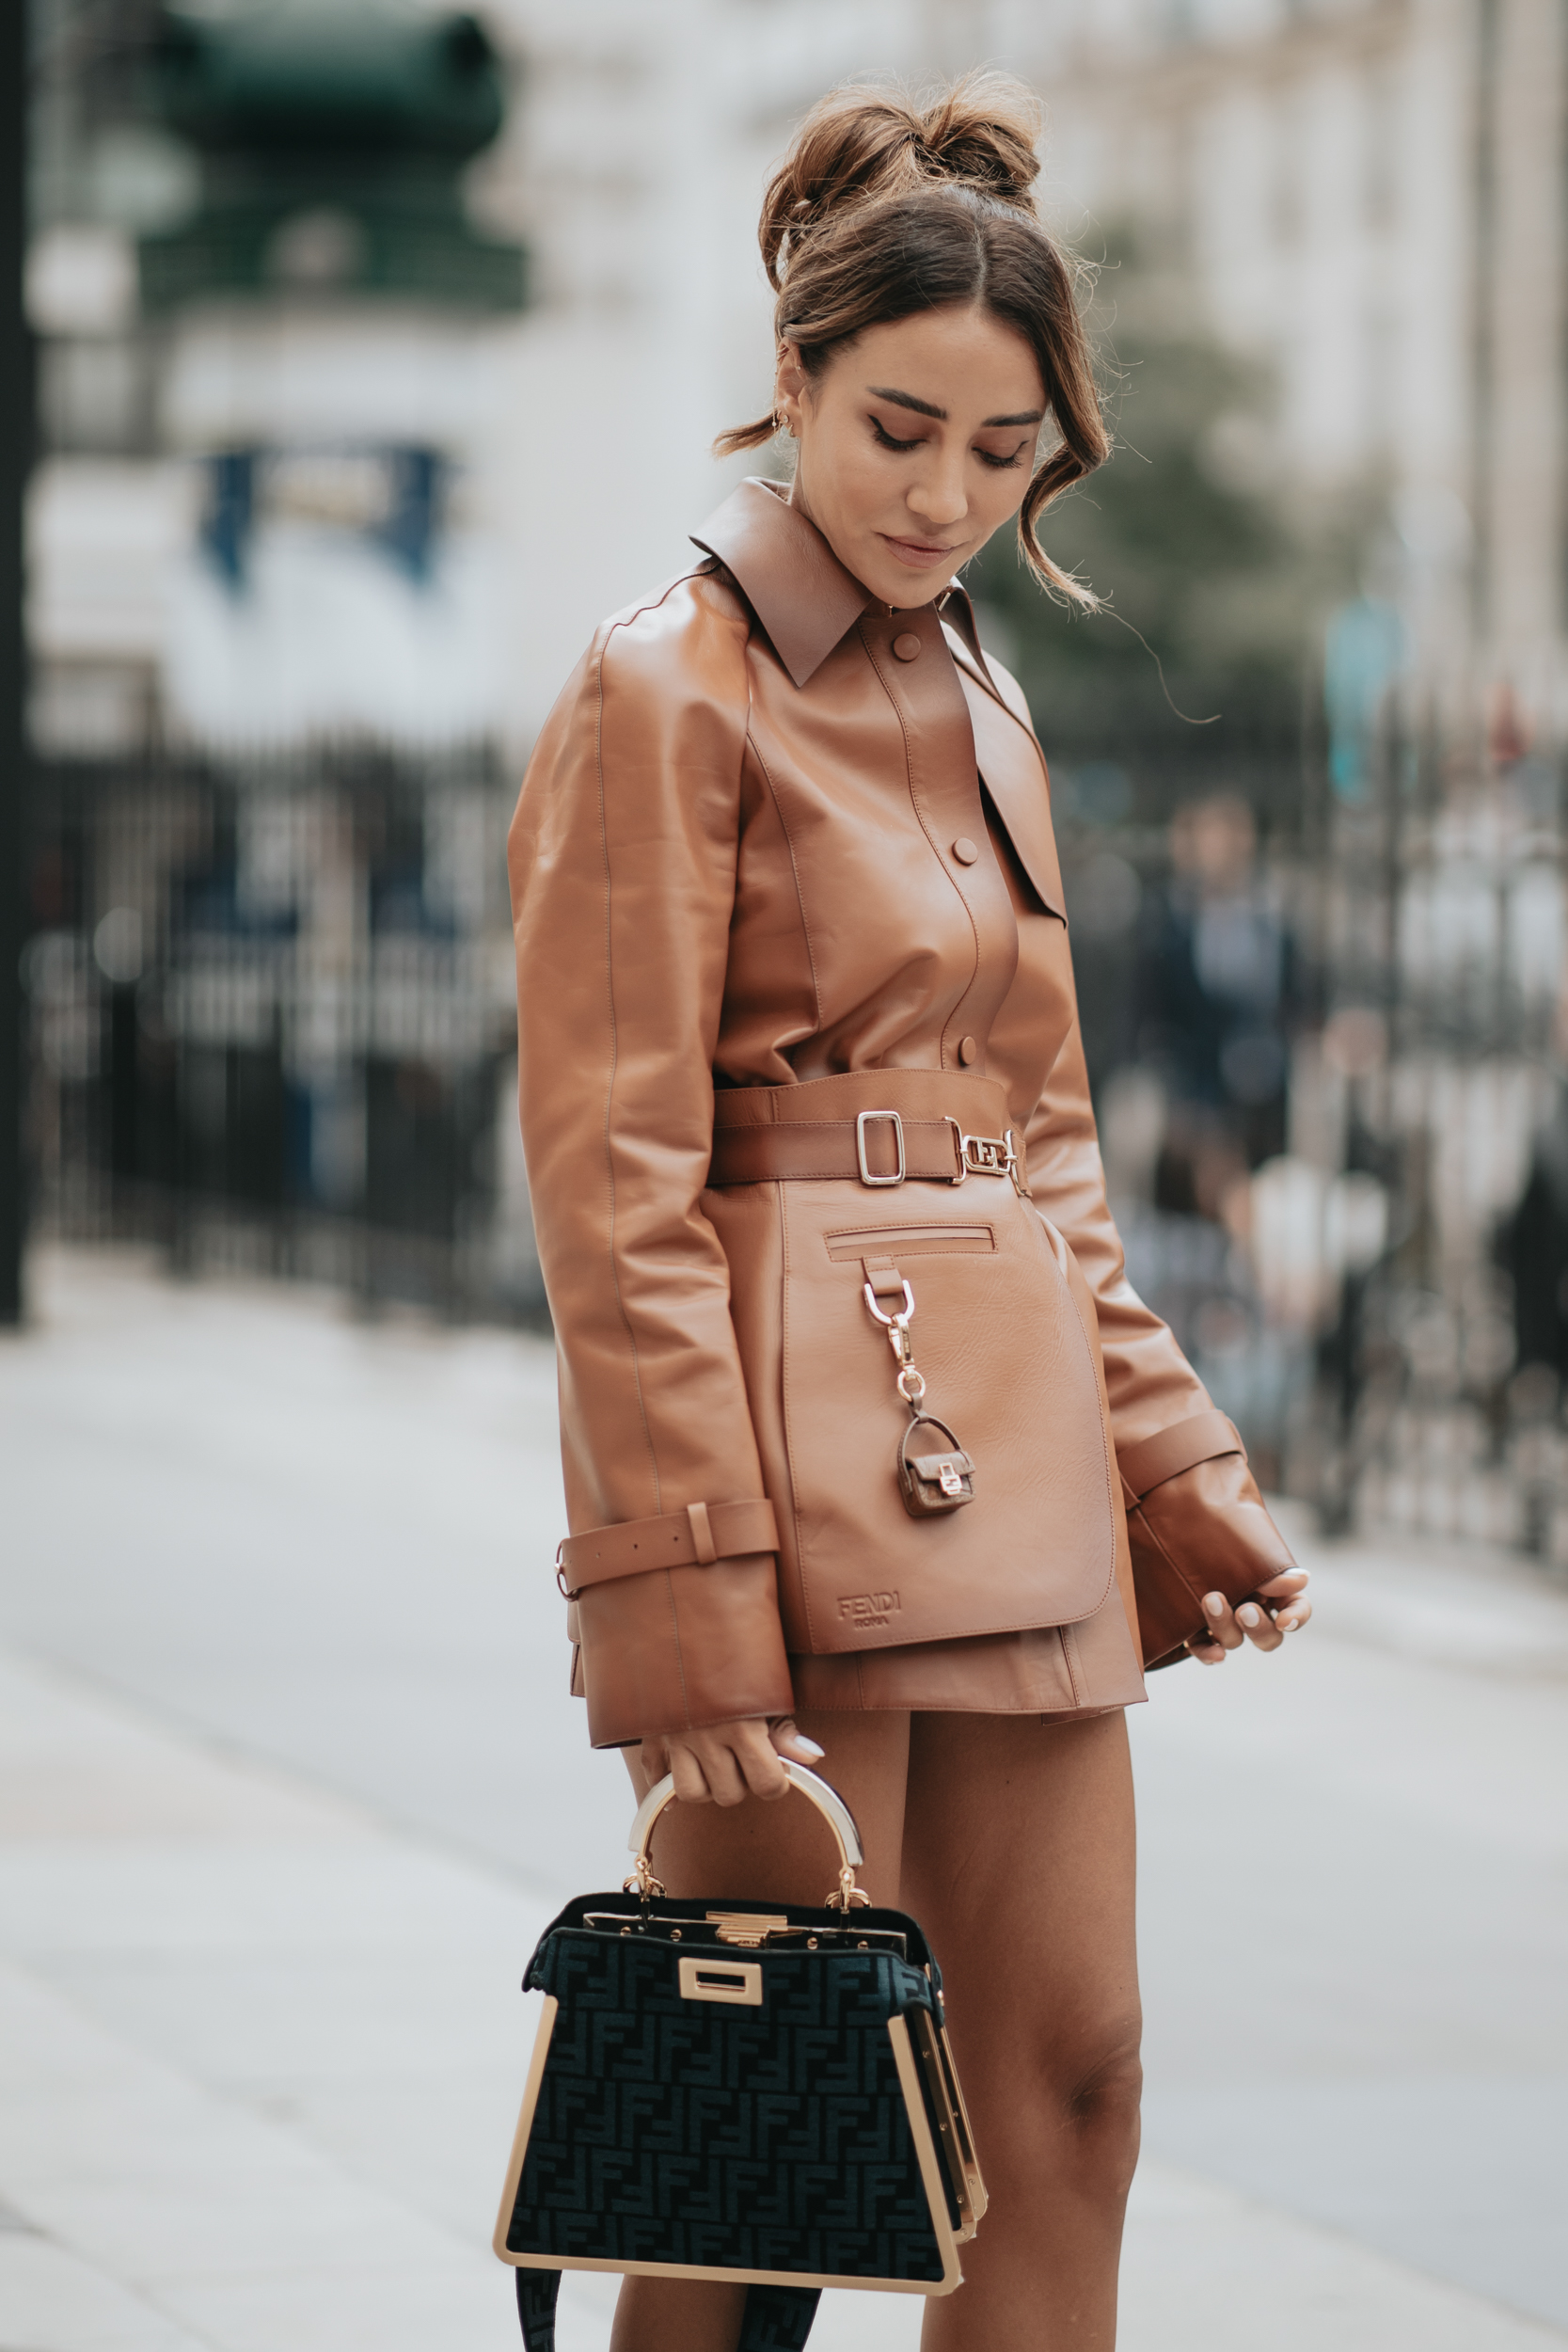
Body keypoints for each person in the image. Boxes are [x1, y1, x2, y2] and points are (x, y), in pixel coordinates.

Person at [509, 73, 1310, 2352]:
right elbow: (615, 1186)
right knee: (762, 2134)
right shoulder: (659, 686)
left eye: (1003, 449)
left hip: (1022, 1463)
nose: (950, 495)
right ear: (792, 381)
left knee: (1074, 2085)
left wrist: (1176, 1464)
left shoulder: (984, 685)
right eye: (900, 429)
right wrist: (681, 1608)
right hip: (783, 1464)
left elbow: (1043, 1148)